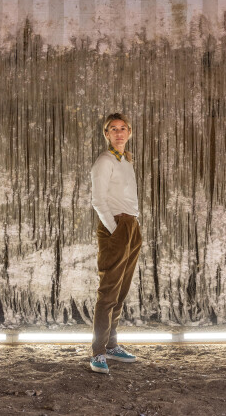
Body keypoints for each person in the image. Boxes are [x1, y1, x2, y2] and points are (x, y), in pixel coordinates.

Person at [89, 113, 142, 374]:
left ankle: (112, 345)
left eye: (123, 128)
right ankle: (98, 352)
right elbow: (98, 200)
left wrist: (132, 228)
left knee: (121, 291)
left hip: (131, 225)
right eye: (113, 129)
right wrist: (114, 231)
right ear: (106, 134)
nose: (119, 132)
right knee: (108, 291)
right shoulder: (104, 161)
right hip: (117, 226)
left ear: (129, 132)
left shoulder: (126, 161)